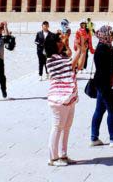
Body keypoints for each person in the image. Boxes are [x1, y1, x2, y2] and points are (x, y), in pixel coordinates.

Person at [44, 32, 78, 166]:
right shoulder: (51, 59)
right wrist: (79, 49)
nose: (61, 42)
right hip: (58, 98)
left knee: (66, 127)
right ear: (54, 44)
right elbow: (71, 64)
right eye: (59, 40)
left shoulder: (61, 55)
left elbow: (70, 55)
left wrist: (67, 42)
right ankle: (52, 158)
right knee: (57, 127)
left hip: (69, 96)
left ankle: (63, 155)